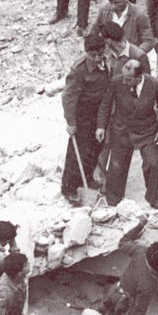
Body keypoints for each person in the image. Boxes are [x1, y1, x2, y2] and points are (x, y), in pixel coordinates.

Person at [99, 53, 158, 209]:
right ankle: (114, 200)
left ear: (139, 77)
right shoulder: (116, 82)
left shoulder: (156, 85)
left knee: (152, 164)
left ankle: (153, 197)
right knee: (117, 166)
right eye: (124, 78)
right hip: (122, 129)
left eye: (129, 80)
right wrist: (101, 126)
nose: (124, 82)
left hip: (147, 130)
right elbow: (105, 105)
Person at [59, 34, 113, 204]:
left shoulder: (108, 60)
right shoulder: (79, 69)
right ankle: (69, 188)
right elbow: (69, 97)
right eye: (93, 55)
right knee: (78, 152)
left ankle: (87, 179)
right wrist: (71, 122)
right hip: (83, 114)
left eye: (99, 54)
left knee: (96, 148)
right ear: (86, 52)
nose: (97, 58)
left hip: (101, 112)